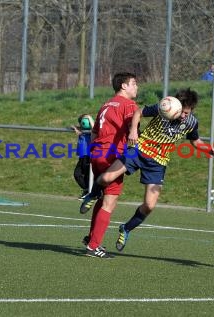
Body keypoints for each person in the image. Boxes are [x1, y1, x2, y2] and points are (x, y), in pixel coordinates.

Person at [81, 88, 214, 255]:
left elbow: (195, 141)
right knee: (108, 177)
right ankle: (93, 194)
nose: (183, 115)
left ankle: (126, 228)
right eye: (182, 112)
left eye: (186, 112)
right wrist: (133, 131)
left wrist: (208, 149)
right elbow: (138, 112)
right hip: (138, 150)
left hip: (158, 163)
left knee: (149, 205)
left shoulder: (191, 122)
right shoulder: (163, 107)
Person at [79, 72, 139, 259]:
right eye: (134, 83)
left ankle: (92, 239)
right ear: (123, 86)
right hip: (112, 155)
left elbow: (95, 132)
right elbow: (133, 130)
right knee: (109, 202)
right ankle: (93, 246)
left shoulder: (107, 104)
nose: (136, 87)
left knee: (101, 199)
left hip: (97, 152)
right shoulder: (129, 105)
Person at [72, 113, 94, 198]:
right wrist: (75, 128)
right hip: (82, 156)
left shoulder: (92, 132)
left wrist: (89, 117)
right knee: (78, 174)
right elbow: (71, 125)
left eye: (87, 120)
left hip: (88, 155)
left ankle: (88, 192)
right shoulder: (82, 131)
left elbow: (94, 128)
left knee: (85, 175)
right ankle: (87, 190)